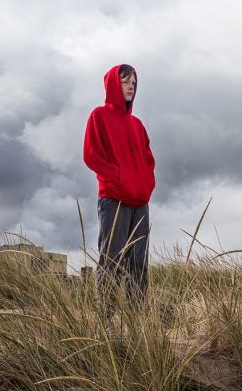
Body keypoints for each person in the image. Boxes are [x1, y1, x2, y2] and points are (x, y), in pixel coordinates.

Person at [83, 64, 156, 329]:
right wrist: (117, 177)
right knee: (112, 257)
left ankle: (137, 321)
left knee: (138, 260)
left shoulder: (137, 125)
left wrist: (146, 183)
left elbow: (149, 160)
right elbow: (91, 155)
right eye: (126, 81)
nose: (130, 86)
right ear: (114, 83)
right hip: (113, 198)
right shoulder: (99, 116)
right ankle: (106, 321)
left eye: (134, 83)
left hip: (140, 201)